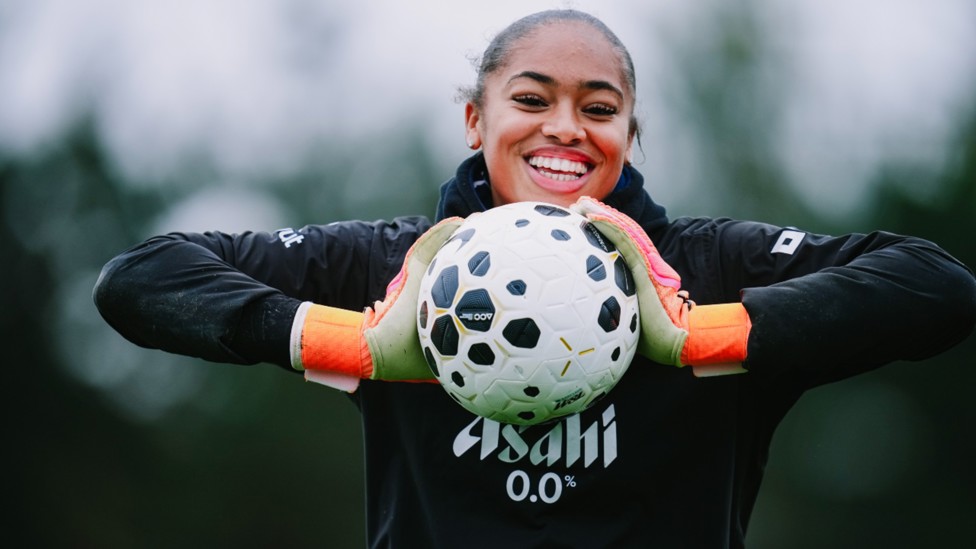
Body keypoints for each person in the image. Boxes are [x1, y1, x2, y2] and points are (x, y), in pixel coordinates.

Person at [93, 9, 976, 548]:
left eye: (600, 108)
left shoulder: (702, 267)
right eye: (530, 98)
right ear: (477, 120)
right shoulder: (404, 265)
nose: (565, 128)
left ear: (631, 134)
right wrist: (358, 343)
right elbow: (140, 279)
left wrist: (697, 332)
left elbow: (933, 284)